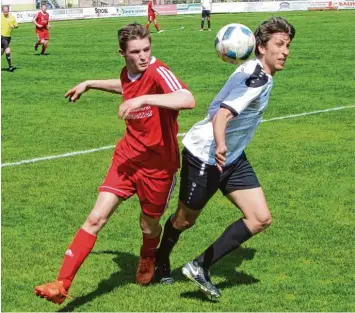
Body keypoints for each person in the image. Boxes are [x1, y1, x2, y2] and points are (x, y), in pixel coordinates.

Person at [34, 23, 195, 305]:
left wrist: (143, 99)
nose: (143, 56)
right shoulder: (129, 72)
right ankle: (61, 283)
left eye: (147, 49)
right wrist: (90, 83)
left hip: (159, 167)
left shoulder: (158, 71)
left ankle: (148, 256)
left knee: (148, 225)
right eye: (135, 52)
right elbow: (126, 84)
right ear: (122, 53)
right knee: (96, 218)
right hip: (127, 159)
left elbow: (187, 98)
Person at [155, 17, 296, 298]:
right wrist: (220, 145)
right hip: (205, 155)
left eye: (288, 45)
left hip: (232, 158)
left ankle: (199, 266)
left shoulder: (256, 71)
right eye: (279, 45)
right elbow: (222, 115)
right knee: (184, 221)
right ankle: (159, 261)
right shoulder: (256, 79)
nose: (285, 51)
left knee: (260, 218)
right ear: (260, 47)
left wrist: (227, 150)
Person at [1, 5, 18, 72]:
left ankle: (10, 66)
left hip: (8, 37)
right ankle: (10, 66)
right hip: (2, 36)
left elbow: (16, 25)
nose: (5, 11)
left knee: (1, 51)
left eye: (6, 10)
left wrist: (14, 26)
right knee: (7, 49)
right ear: (2, 10)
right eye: (4, 10)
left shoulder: (12, 17)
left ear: (8, 10)